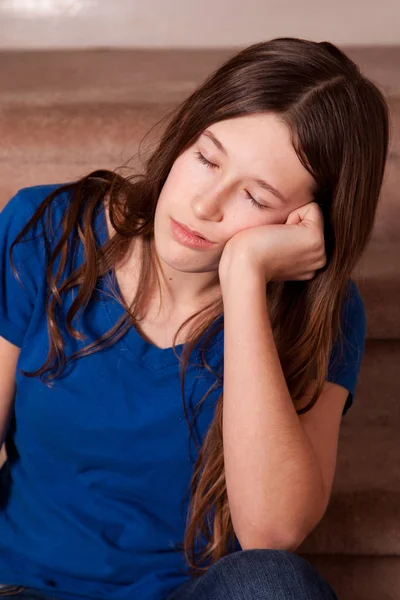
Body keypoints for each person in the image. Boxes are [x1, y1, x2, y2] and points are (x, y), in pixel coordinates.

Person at [0, 36, 389, 600]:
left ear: (306, 223)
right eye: (206, 158)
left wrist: (245, 279)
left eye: (255, 198)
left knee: (274, 582)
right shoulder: (48, 230)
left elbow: (272, 532)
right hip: (26, 588)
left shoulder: (320, 312)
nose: (205, 205)